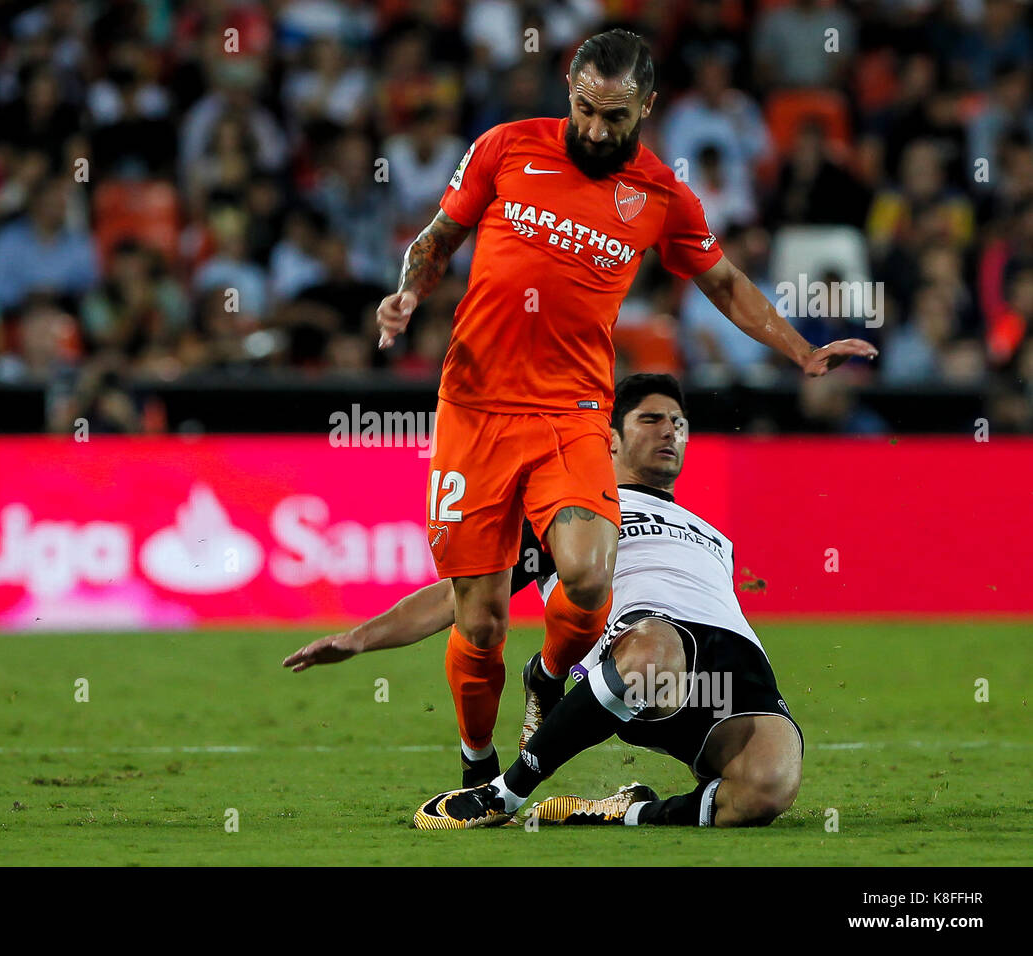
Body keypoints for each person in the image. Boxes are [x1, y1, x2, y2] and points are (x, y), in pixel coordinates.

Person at [371, 28, 872, 788]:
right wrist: (410, 290)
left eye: (616, 118)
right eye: (586, 111)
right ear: (569, 90)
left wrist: (799, 349)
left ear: (648, 108)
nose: (598, 131)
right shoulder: (506, 146)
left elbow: (726, 282)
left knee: (589, 574)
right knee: (479, 619)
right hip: (474, 406)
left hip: (573, 412)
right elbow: (439, 237)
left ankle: (549, 675)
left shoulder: (661, 194)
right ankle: (477, 760)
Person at [285, 374, 803, 830]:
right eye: (651, 419)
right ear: (611, 439)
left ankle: (619, 812)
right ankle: (504, 791)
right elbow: (458, 595)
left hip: (734, 659)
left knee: (767, 788)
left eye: (679, 422)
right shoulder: (570, 516)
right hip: (643, 655)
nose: (671, 431)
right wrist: (356, 641)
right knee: (653, 651)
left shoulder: (713, 534)